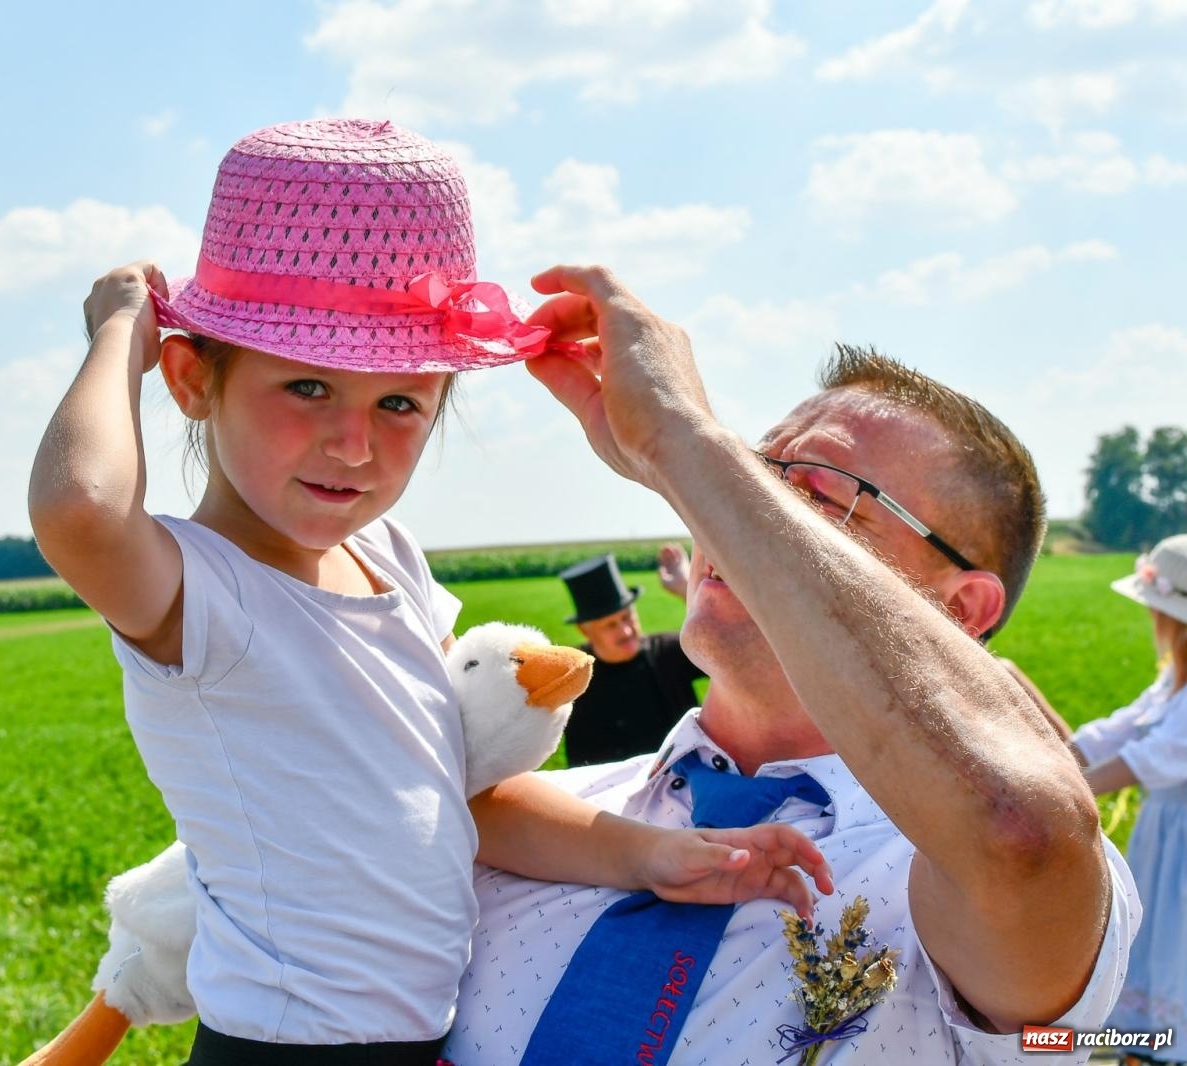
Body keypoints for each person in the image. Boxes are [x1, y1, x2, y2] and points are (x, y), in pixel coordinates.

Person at [26, 120, 830, 1065]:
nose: (354, 444)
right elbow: (81, 510)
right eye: (308, 388)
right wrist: (123, 324)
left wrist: (645, 854)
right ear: (193, 377)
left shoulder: (391, 560)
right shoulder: (198, 592)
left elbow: (466, 797)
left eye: (400, 403)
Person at [446, 266, 1139, 1065]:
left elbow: (1018, 835)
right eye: (752, 476)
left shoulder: (956, 874)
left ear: (960, 610)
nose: (742, 516)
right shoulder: (512, 817)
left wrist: (679, 435)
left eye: (815, 491)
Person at [1070, 534, 1187, 1065]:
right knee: (1155, 943)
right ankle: (1145, 1046)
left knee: (1174, 944)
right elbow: (1116, 731)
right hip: (1164, 841)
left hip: (1181, 849)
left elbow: (1143, 759)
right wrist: (1052, 755)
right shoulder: (1172, 682)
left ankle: (1166, 1046)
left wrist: (1053, 794)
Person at [559, 546, 705, 765]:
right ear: (584, 630)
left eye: (627, 617)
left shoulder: (669, 652)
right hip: (600, 796)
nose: (626, 631)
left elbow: (736, 650)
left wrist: (687, 588)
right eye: (610, 625)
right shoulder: (569, 673)